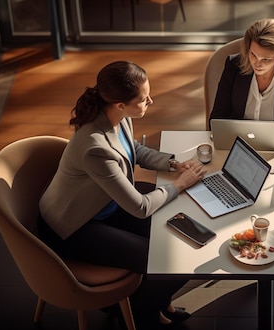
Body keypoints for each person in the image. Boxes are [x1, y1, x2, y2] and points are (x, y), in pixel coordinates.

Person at [38, 61, 207, 328]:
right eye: (144, 99)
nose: (151, 100)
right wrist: (180, 184)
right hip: (74, 226)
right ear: (120, 104)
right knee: (165, 260)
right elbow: (139, 207)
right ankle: (142, 313)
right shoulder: (95, 147)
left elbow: (135, 151)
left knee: (182, 233)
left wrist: (173, 165)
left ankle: (156, 303)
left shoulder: (117, 116)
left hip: (104, 205)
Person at [209, 18, 274, 148]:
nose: (257, 63)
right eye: (253, 54)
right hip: (238, 144)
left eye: (266, 59)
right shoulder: (234, 65)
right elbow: (218, 116)